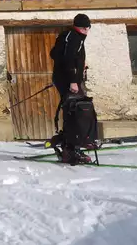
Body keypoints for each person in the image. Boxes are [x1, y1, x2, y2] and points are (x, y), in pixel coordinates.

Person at [50, 13, 91, 162]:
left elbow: (54, 53)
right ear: (85, 28)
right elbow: (68, 59)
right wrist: (73, 80)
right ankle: (72, 148)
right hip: (68, 80)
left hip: (64, 79)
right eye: (87, 28)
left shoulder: (67, 35)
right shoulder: (75, 37)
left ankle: (72, 144)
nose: (88, 31)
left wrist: (81, 64)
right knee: (75, 111)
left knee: (71, 110)